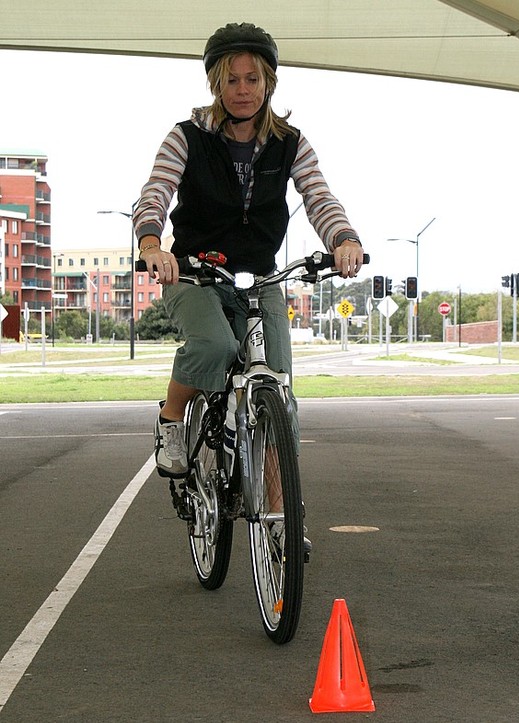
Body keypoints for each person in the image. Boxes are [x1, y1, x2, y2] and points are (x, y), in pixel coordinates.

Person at [133, 23, 365, 544]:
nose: (243, 89)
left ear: (269, 84)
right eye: (232, 79)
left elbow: (319, 198)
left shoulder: (290, 144)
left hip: (260, 278)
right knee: (214, 344)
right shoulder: (186, 137)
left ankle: (282, 520)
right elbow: (154, 194)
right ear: (216, 84)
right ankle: (172, 420)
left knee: (279, 392)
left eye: (253, 79)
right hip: (195, 272)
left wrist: (344, 238)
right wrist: (153, 246)